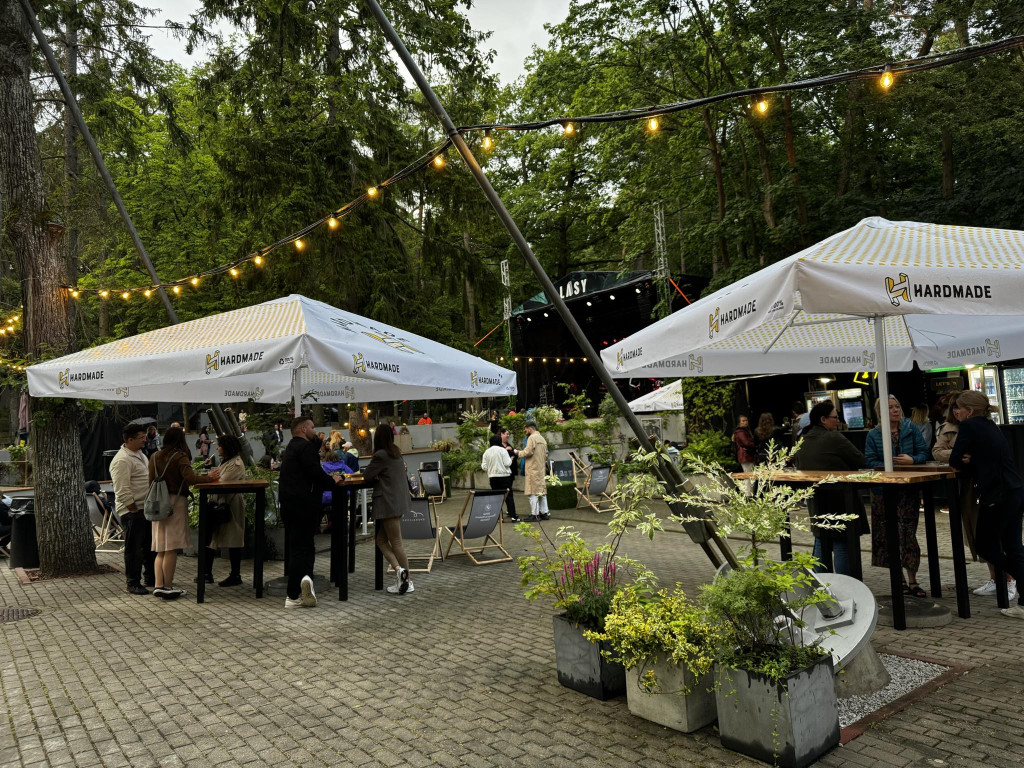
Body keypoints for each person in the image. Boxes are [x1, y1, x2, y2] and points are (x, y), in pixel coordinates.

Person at [949, 390, 1024, 617]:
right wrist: (974, 459)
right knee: (1012, 546)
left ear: (969, 411)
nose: (955, 412)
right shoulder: (992, 426)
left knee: (985, 546)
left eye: (958, 408)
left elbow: (954, 460)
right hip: (1015, 490)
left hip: (998, 495)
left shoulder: (970, 426)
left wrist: (967, 460)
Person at [865, 395, 929, 598]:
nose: (895, 410)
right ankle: (899, 579)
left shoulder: (911, 429)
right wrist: (886, 465)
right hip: (884, 491)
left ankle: (913, 580)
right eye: (890, 407)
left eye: (897, 406)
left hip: (907, 490)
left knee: (908, 534)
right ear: (881, 412)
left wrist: (912, 460)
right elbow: (869, 460)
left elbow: (924, 454)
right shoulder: (874, 434)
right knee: (888, 535)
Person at [278, 416, 345, 608]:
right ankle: (293, 593)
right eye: (312, 428)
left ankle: (304, 585)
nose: (315, 431)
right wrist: (332, 481)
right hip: (304, 506)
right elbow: (315, 473)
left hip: (290, 505)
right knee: (303, 548)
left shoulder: (292, 447)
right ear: (302, 429)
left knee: (301, 546)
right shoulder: (305, 449)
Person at [794, 401, 867, 575]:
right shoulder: (833, 437)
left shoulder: (802, 440)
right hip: (841, 500)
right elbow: (860, 460)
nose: (838, 420)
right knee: (842, 543)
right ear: (823, 419)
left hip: (816, 501)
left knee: (821, 540)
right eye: (835, 417)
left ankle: (820, 587)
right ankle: (846, 587)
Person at [148, 427, 219, 599]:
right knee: (172, 546)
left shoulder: (154, 456)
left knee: (160, 548)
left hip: (158, 501)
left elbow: (150, 480)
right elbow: (191, 478)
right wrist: (210, 477)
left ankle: (158, 585)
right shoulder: (180, 456)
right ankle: (168, 586)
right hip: (175, 502)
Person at [361, 425, 413, 595]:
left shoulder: (380, 455)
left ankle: (408, 579)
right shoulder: (395, 453)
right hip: (399, 501)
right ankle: (399, 572)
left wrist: (376, 475)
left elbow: (367, 475)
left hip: (387, 503)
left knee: (395, 542)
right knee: (381, 541)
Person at [109, 423, 156, 594]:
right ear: (130, 440)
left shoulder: (139, 454)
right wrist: (132, 508)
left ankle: (151, 578)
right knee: (134, 549)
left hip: (145, 508)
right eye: (141, 438)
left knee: (149, 546)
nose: (145, 440)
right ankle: (133, 583)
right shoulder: (122, 460)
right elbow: (121, 488)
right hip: (132, 511)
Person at [208, 435, 247, 587]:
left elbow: (223, 483)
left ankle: (235, 574)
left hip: (230, 504)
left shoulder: (235, 464)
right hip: (222, 503)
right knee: (216, 538)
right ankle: (208, 573)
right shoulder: (227, 462)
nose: (217, 448)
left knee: (233, 538)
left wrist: (212, 478)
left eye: (220, 445)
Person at [517, 421, 549, 522]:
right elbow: (546, 454)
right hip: (540, 469)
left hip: (532, 469)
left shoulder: (531, 438)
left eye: (525, 429)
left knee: (532, 492)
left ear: (530, 428)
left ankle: (534, 514)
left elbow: (528, 452)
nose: (524, 431)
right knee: (542, 492)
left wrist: (517, 452)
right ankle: (544, 513)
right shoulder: (542, 438)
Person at [482, 434, 517, 522]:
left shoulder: (487, 452)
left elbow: (484, 466)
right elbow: (507, 463)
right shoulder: (502, 450)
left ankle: (499, 517)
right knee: (509, 496)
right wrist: (511, 458)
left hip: (493, 477)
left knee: (496, 497)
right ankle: (513, 516)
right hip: (505, 476)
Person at [731, 415, 758, 495]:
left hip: (747, 455)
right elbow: (746, 443)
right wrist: (756, 445)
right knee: (748, 476)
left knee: (750, 475)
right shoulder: (740, 432)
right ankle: (748, 495)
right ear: (739, 423)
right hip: (745, 456)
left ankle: (750, 494)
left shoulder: (744, 431)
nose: (745, 422)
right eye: (743, 421)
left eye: (746, 420)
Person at [499, 427, 520, 521]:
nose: (508, 436)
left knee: (508, 492)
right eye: (506, 434)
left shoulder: (508, 444)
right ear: (501, 434)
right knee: (505, 493)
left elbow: (513, 453)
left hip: (510, 472)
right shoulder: (498, 446)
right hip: (502, 473)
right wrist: (506, 450)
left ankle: (509, 510)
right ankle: (508, 514)